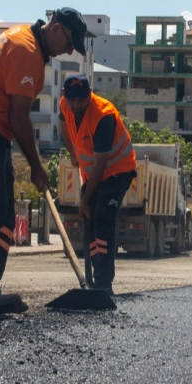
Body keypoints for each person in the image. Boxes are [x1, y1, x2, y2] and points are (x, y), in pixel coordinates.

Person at [0, 8, 87, 315]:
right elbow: (19, 116)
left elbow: (14, 118)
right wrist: (37, 168)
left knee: (4, 216)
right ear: (55, 27)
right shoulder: (26, 50)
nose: (68, 50)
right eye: (69, 42)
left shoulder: (30, 47)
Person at [59, 75, 139, 294]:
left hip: (118, 171)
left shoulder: (103, 116)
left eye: (81, 100)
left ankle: (104, 281)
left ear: (90, 93)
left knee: (103, 216)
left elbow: (101, 165)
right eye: (72, 100)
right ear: (65, 96)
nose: (76, 105)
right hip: (93, 173)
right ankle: (95, 278)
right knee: (90, 218)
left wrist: (85, 199)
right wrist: (73, 153)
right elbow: (63, 122)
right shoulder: (65, 105)